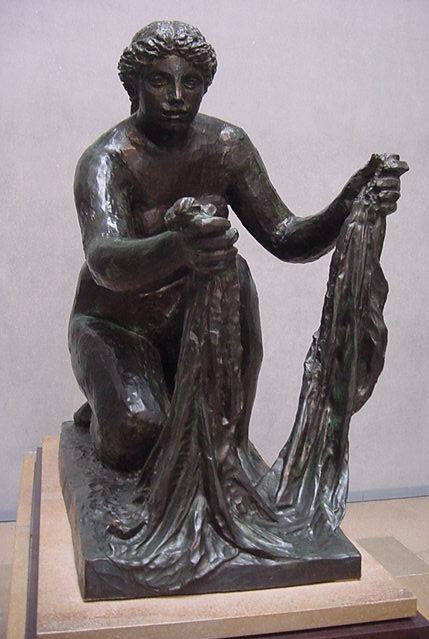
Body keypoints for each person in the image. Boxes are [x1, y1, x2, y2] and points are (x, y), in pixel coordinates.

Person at [69, 20, 401, 471]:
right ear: (134, 85)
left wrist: (348, 202)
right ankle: (110, 403)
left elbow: (285, 236)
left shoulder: (227, 146)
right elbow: (105, 260)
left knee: (219, 438)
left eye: (191, 82)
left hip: (197, 318)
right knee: (137, 435)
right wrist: (177, 248)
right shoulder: (107, 160)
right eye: (160, 81)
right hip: (118, 323)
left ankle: (162, 403)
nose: (176, 96)